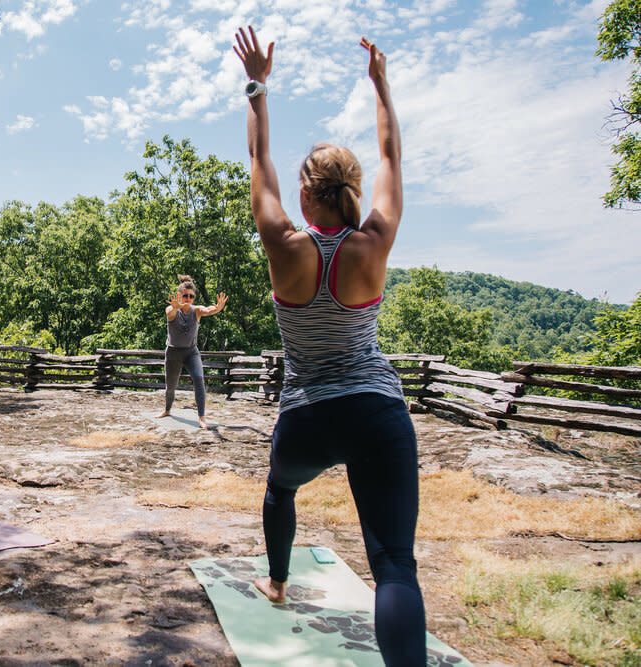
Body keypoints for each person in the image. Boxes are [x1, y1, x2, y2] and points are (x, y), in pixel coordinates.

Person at [235, 28, 425, 665]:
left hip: (309, 415)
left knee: (280, 490)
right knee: (394, 565)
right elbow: (393, 160)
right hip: (377, 411)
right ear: (351, 189)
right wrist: (381, 86)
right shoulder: (374, 242)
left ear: (306, 194)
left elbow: (258, 163)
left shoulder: (283, 244)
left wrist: (259, 87)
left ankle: (279, 581)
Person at [156, 275, 227, 429]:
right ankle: (167, 410)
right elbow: (170, 314)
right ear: (179, 295)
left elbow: (207, 309)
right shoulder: (171, 309)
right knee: (171, 386)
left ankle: (201, 418)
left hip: (191, 352)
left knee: (199, 379)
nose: (188, 298)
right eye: (185, 295)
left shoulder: (196, 311)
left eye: (191, 296)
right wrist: (176, 307)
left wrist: (217, 309)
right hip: (173, 353)